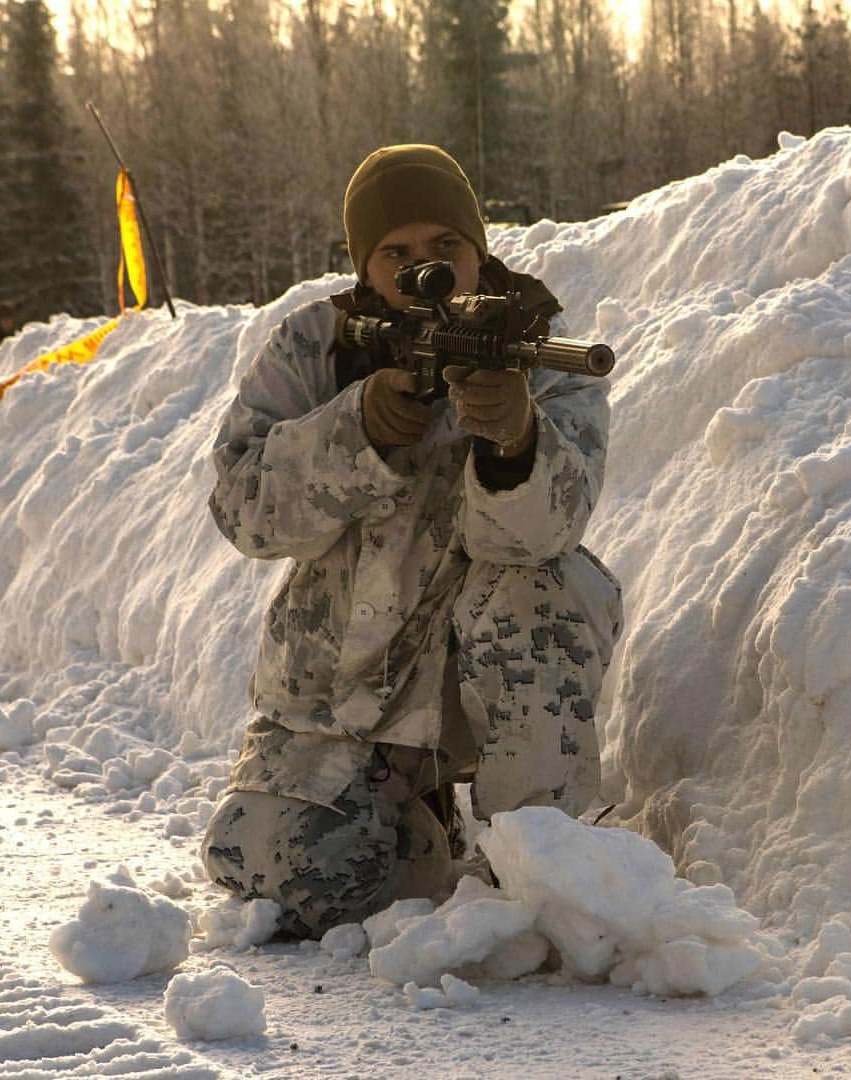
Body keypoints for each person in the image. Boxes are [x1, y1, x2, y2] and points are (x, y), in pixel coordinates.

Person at [202, 144, 623, 938]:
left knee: (545, 586)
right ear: (364, 266)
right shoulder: (315, 347)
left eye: (445, 248)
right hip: (348, 694)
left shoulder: (535, 346)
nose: (422, 267)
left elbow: (550, 532)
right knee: (267, 865)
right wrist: (354, 431)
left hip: (487, 678)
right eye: (395, 252)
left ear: (479, 252)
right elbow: (240, 509)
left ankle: (538, 857)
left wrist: (515, 442)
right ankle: (419, 830)